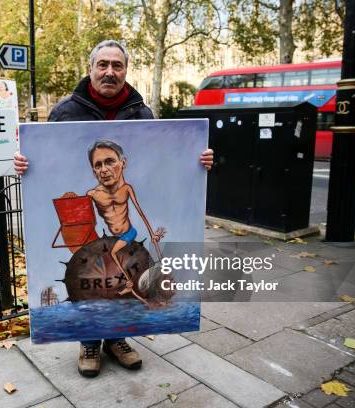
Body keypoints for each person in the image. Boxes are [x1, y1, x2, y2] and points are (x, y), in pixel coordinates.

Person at [14, 39, 214, 378]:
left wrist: (198, 162)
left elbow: (165, 161)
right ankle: (89, 341)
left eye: (117, 65)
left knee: (125, 272)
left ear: (125, 71)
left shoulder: (142, 113)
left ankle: (117, 339)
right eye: (102, 64)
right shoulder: (65, 111)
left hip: (128, 232)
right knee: (97, 273)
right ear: (91, 69)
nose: (110, 71)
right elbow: (48, 163)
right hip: (101, 231)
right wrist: (24, 164)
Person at [86, 139, 165, 304]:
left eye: (110, 162)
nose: (104, 170)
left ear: (123, 163)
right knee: (112, 254)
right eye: (98, 165)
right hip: (115, 236)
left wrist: (153, 237)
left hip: (129, 232)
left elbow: (141, 214)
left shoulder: (126, 189)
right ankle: (135, 288)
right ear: (93, 171)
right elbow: (85, 219)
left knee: (114, 253)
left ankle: (131, 285)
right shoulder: (93, 194)